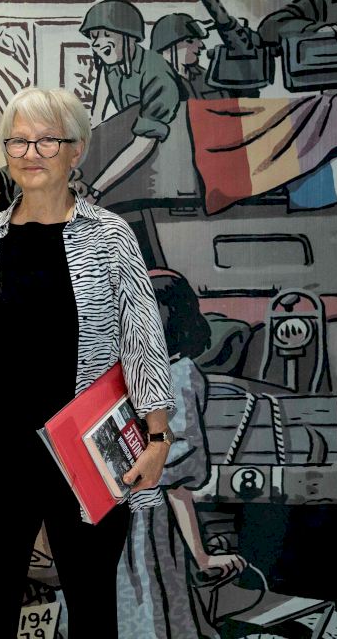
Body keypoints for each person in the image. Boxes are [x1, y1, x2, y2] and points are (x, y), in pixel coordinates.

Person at [0, 87, 176, 638]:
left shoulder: (109, 236)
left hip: (86, 450)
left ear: (77, 150)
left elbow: (143, 337)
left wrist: (158, 438)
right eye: (19, 141)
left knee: (92, 607)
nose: (31, 153)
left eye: (47, 140)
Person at [118, 269, 248, 639]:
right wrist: (201, 556)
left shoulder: (173, 376)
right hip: (135, 519)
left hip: (140, 523)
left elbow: (175, 479)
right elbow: (178, 480)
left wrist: (201, 555)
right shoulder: (164, 372)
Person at [79, 0, 187, 204]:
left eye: (106, 34)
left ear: (128, 36)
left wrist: (95, 191)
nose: (97, 43)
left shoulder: (156, 72)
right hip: (133, 151)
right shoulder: (111, 66)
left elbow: (145, 141)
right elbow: (97, 118)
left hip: (166, 160)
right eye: (94, 36)